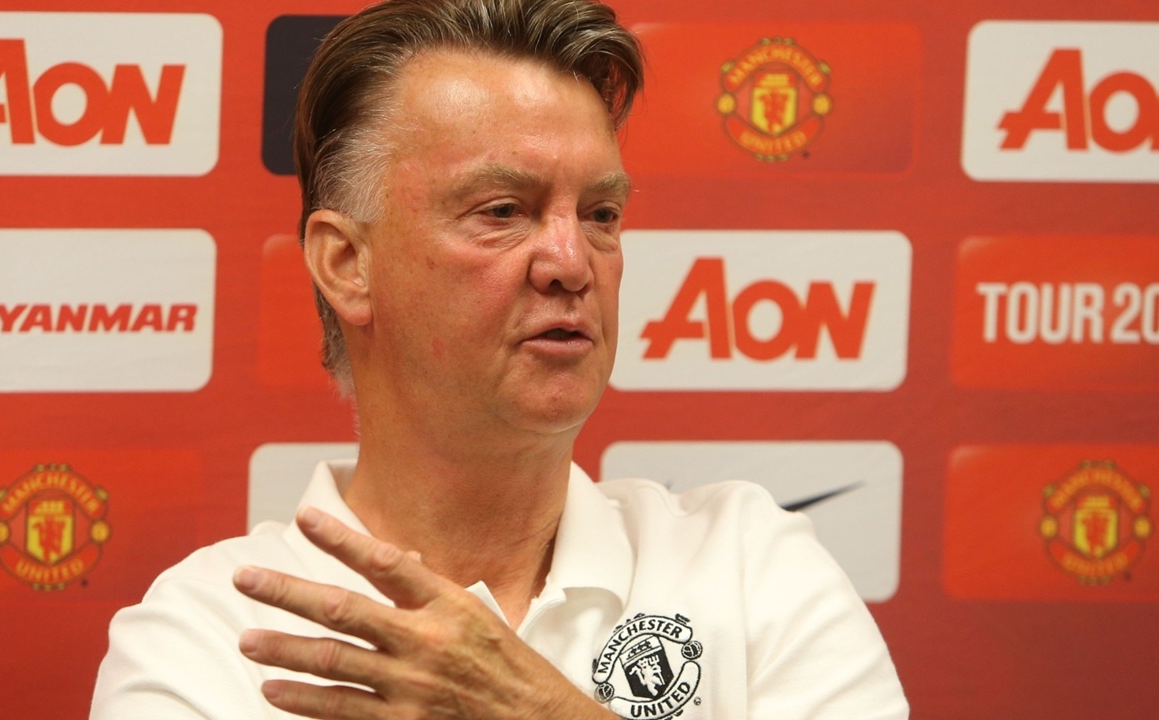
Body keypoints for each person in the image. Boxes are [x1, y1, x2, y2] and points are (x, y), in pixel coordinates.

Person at [90, 0, 910, 717]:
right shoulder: (210, 633)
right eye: (503, 210)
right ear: (346, 264)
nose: (572, 262)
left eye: (601, 214)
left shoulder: (750, 562)